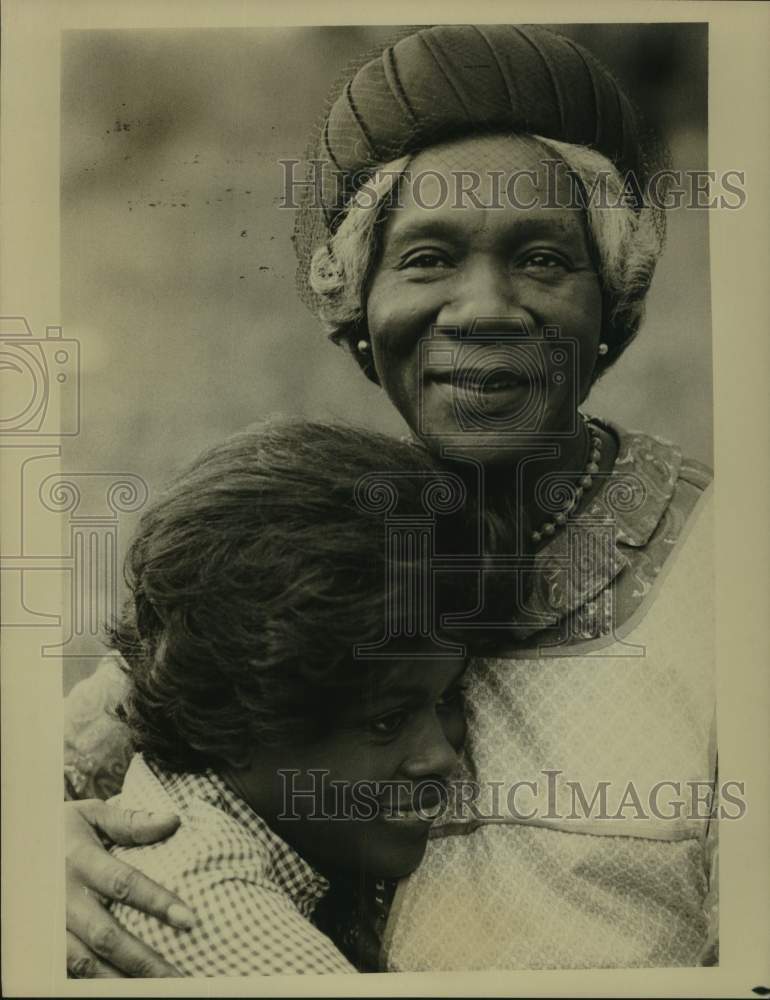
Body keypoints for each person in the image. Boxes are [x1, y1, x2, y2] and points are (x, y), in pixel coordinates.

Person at [64, 23, 716, 974]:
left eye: (543, 258)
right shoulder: (290, 542)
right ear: (356, 303)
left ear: (612, 302)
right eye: (425, 259)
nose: (486, 307)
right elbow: (103, 738)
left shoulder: (734, 578)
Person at [68, 417, 519, 976]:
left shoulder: (218, 810)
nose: (443, 757)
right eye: (386, 721)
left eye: (448, 697)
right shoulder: (224, 924)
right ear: (234, 720)